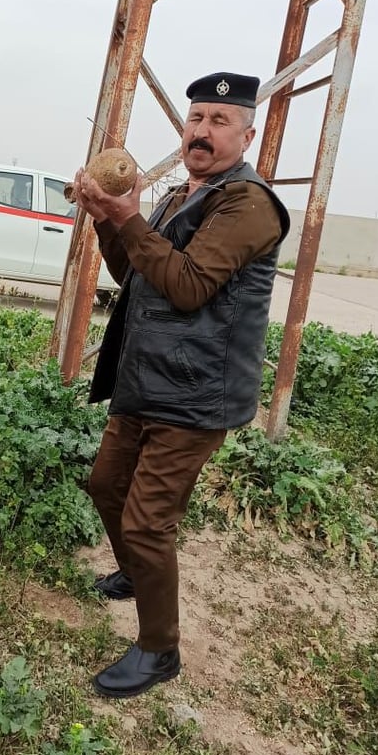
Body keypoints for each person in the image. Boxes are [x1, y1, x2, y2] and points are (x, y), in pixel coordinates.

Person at [73, 71, 290, 699]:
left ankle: (159, 650)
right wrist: (107, 221)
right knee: (106, 483)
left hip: (197, 394)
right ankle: (139, 576)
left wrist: (129, 216)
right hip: (147, 379)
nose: (202, 131)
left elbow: (189, 285)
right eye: (197, 119)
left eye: (220, 121)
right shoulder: (179, 197)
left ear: (247, 134)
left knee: (147, 522)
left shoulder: (246, 205)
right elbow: (136, 272)